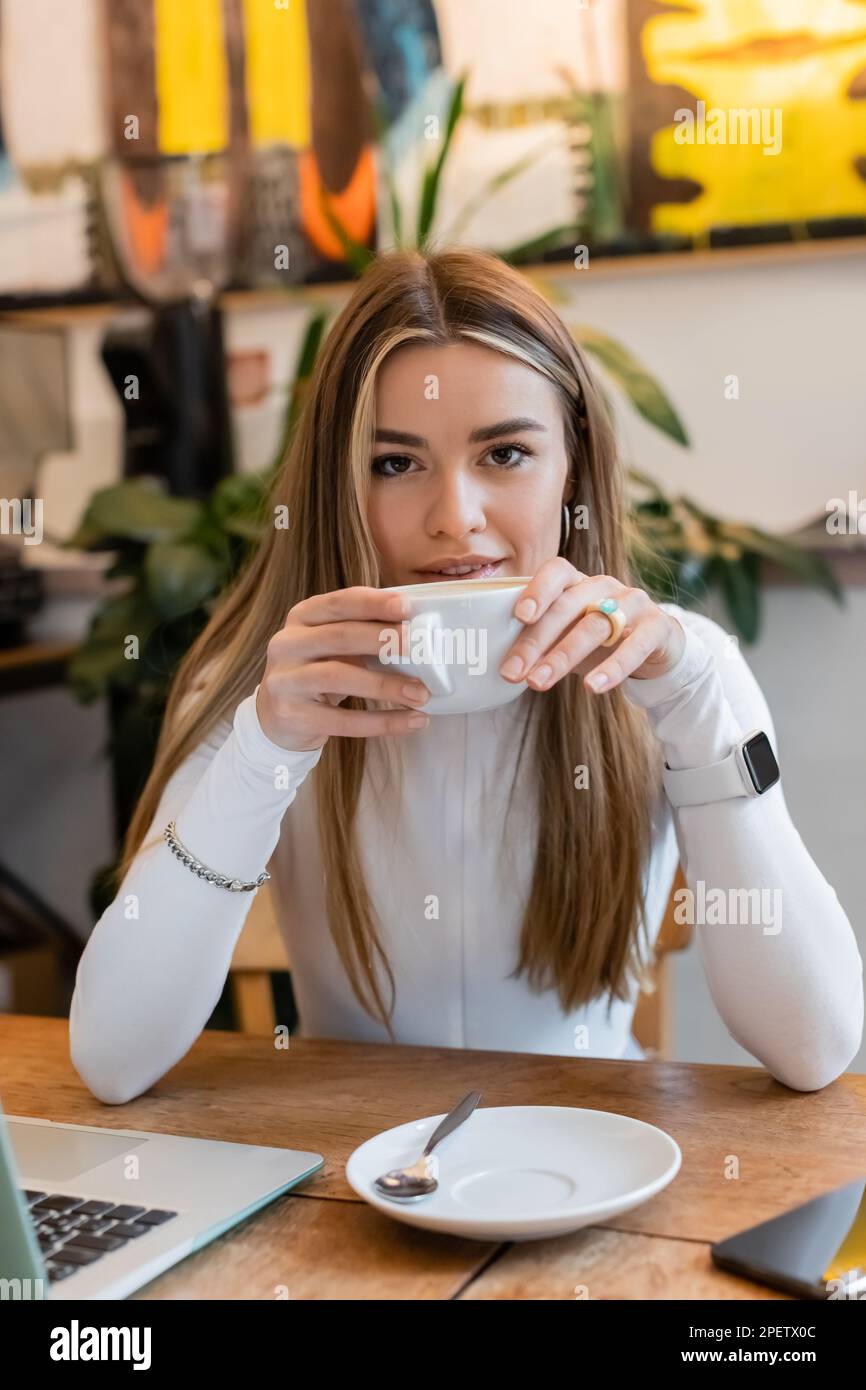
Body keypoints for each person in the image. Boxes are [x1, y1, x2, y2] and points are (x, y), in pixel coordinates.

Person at [69, 247, 863, 1104]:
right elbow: (114, 1059)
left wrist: (696, 699)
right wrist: (265, 746)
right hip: (357, 1173)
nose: (455, 519)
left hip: (600, 1159)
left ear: (572, 470)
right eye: (395, 463)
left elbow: (814, 1048)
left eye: (506, 454)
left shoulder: (676, 671)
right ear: (339, 481)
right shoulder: (261, 687)